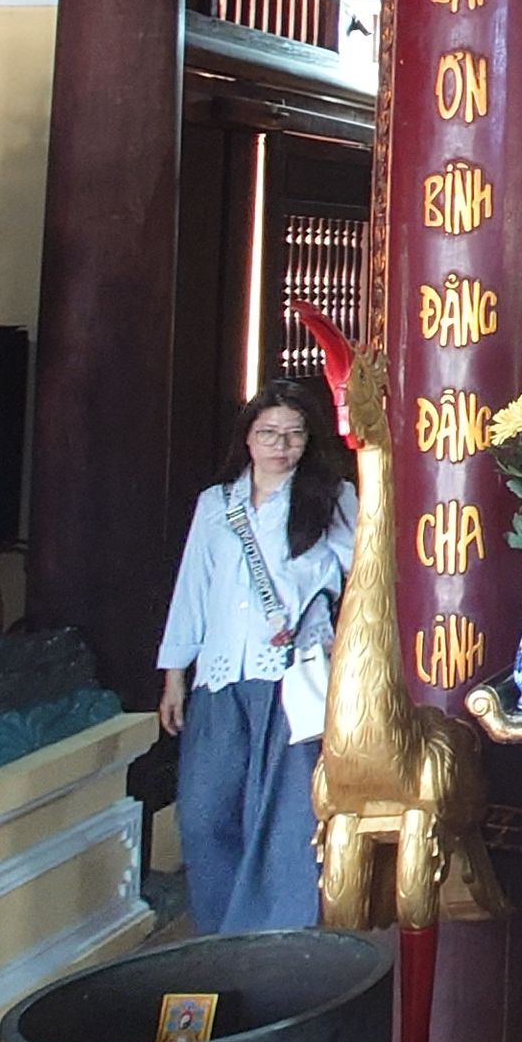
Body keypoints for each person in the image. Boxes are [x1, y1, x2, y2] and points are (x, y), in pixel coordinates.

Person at [158, 381, 354, 933]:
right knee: (204, 813)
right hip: (222, 675)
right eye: (268, 433)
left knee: (285, 821)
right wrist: (175, 675)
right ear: (247, 437)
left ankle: (277, 942)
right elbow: (192, 589)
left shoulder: (332, 499)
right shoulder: (216, 506)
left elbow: (364, 577)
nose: (280, 445)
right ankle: (223, 937)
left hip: (293, 679)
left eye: (293, 435)